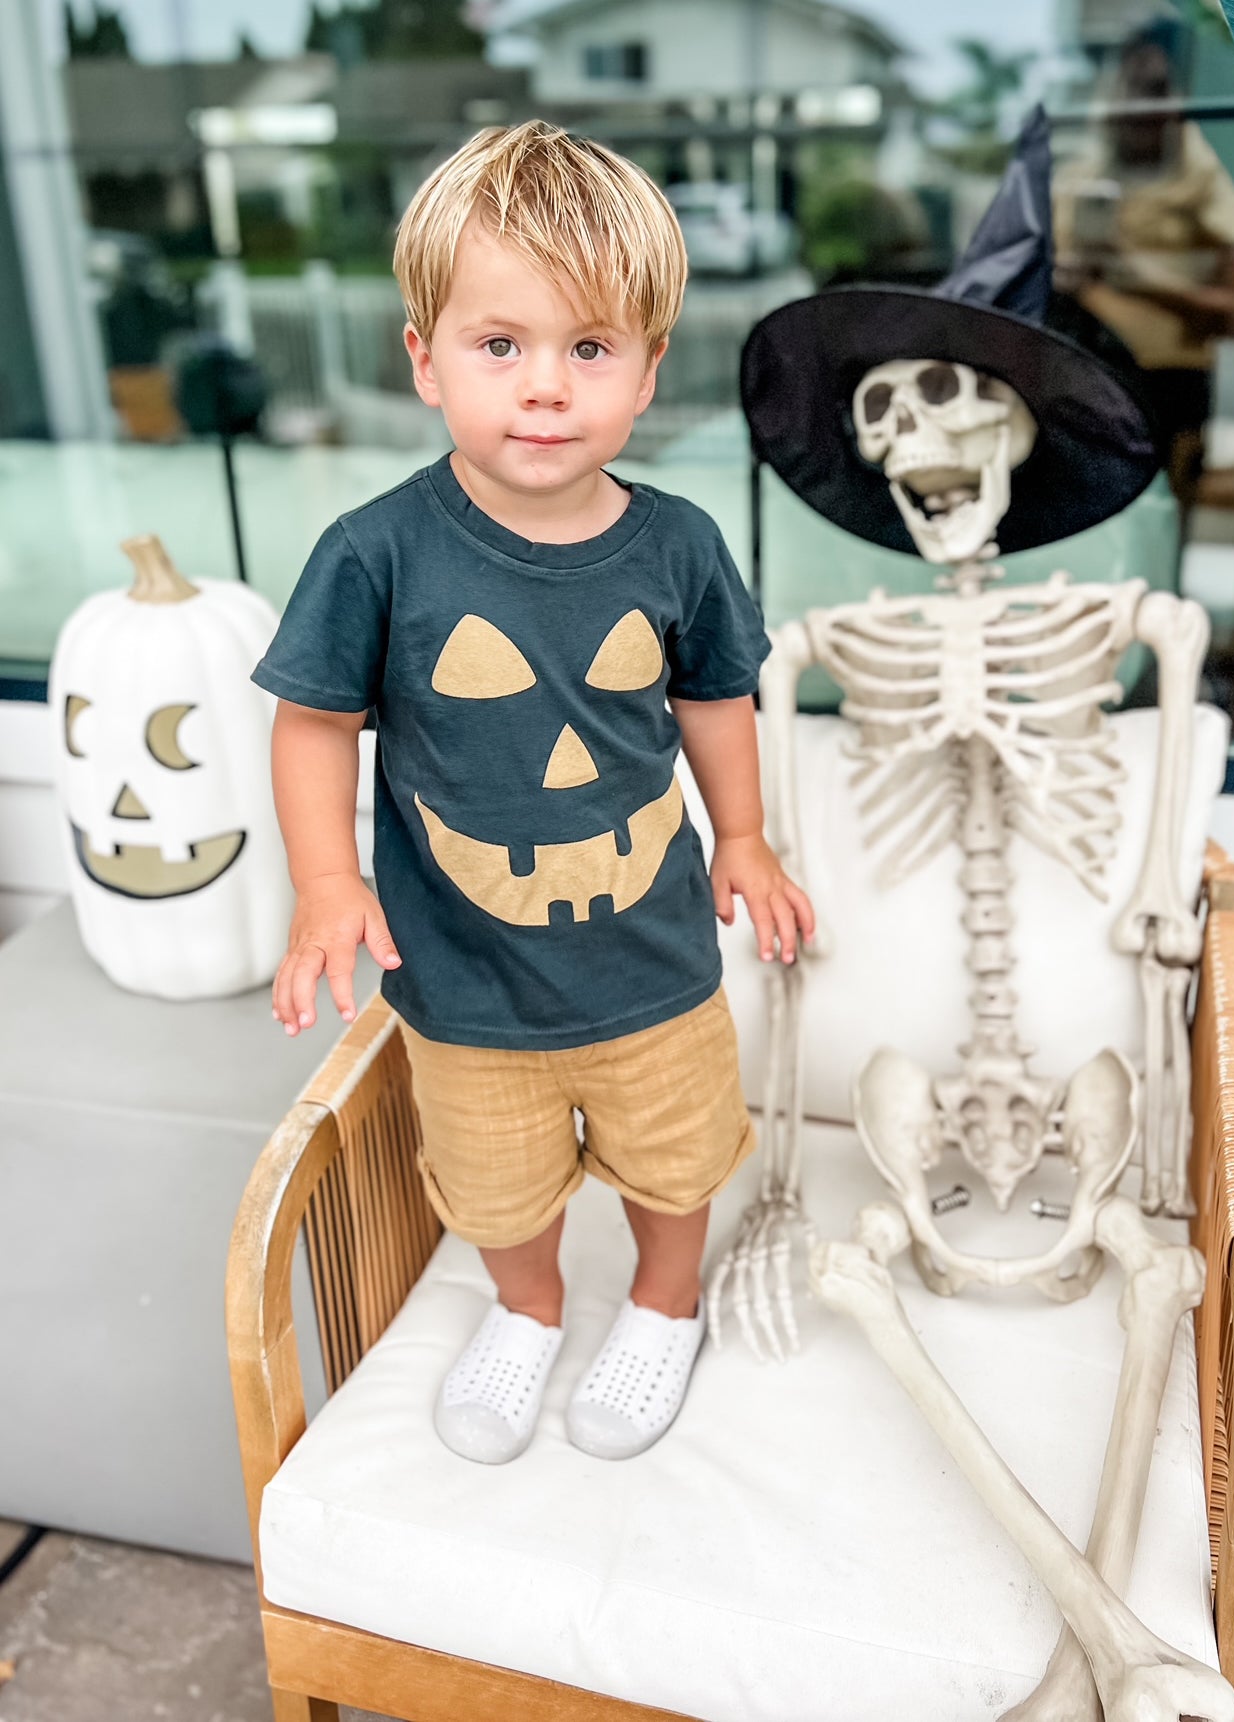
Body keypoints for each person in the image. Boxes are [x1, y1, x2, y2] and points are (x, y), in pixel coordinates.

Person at [252, 121, 814, 1467]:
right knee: (495, 1182)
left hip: (653, 960)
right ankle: (530, 1308)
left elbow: (711, 698)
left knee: (677, 1164)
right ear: (424, 359)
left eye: (590, 348)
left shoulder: (677, 544)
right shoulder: (374, 553)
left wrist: (742, 833)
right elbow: (315, 722)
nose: (546, 388)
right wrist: (330, 883)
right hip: (467, 977)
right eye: (501, 346)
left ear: (647, 369)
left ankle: (665, 1304)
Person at [1053, 26, 1234, 512]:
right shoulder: (1076, 180)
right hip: (1084, 378)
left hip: (1173, 384)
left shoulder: (1206, 180)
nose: (1138, 104)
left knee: (1163, 520)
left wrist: (1138, 278)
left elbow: (1233, 315)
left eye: (1156, 90)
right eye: (1129, 87)